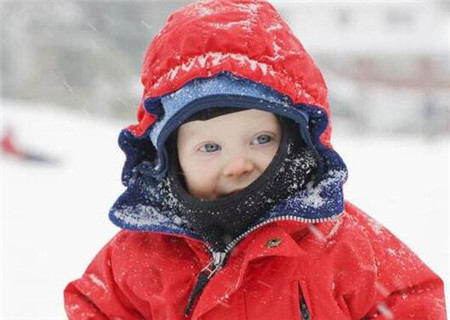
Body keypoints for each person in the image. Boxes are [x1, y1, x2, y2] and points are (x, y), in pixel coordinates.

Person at [64, 1, 446, 319]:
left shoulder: (338, 239)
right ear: (168, 156)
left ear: (293, 138)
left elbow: (410, 302)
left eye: (261, 139)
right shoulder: (143, 253)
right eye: (210, 147)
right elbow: (95, 307)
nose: (238, 164)